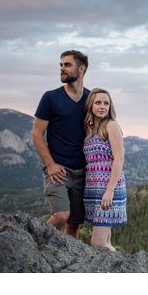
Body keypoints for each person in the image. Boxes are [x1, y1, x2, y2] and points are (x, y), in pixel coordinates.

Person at [31, 50, 90, 239]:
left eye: (67, 65)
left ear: (81, 69)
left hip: (83, 172)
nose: (62, 69)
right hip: (58, 170)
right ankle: (30, 246)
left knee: (74, 224)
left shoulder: (91, 99)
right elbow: (37, 134)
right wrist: (50, 165)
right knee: (61, 215)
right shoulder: (50, 97)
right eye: (61, 65)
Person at [81, 88, 126, 250]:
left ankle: (124, 269)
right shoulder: (89, 129)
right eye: (98, 102)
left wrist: (110, 190)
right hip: (94, 188)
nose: (102, 106)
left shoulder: (111, 125)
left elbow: (119, 158)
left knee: (98, 243)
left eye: (106, 103)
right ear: (90, 106)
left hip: (108, 188)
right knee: (105, 243)